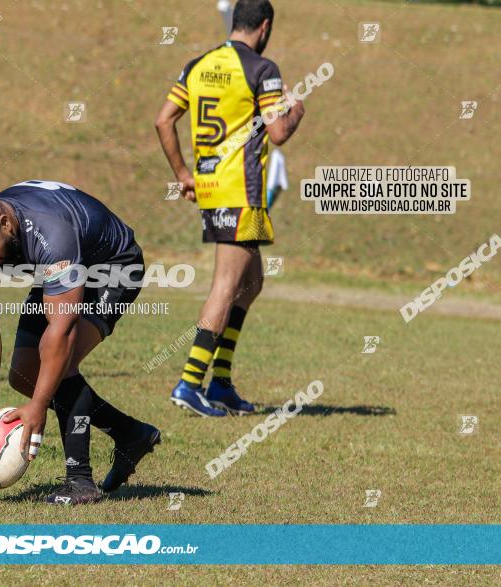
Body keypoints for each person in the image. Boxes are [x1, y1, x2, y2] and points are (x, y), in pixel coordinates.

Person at [0, 179, 161, 504]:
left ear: (6, 223)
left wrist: (38, 407)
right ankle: (130, 434)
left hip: (113, 266)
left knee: (59, 368)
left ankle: (80, 481)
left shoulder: (52, 235)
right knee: (23, 374)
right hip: (64, 267)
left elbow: (61, 333)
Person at [154, 0, 305, 416]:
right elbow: (277, 134)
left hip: (213, 188)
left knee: (251, 281)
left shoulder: (198, 64)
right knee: (226, 285)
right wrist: (296, 112)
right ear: (265, 26)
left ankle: (220, 382)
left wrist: (184, 173)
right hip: (241, 191)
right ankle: (189, 383)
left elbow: (163, 120)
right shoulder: (262, 69)